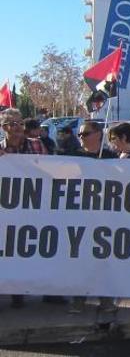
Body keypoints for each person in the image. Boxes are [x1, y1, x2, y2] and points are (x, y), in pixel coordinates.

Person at [0, 108, 51, 309]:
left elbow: (50, 171)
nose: (19, 128)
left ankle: (50, 291)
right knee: (10, 250)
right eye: (13, 124)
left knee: (38, 247)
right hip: (8, 211)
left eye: (20, 123)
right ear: (4, 128)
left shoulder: (37, 145)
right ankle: (15, 293)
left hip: (34, 207)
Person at [68, 120, 117, 314]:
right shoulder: (73, 157)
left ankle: (106, 299)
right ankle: (78, 299)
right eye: (79, 135)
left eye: (85, 134)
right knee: (81, 259)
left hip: (105, 217)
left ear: (98, 134)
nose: (81, 137)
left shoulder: (111, 157)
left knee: (103, 259)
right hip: (80, 216)